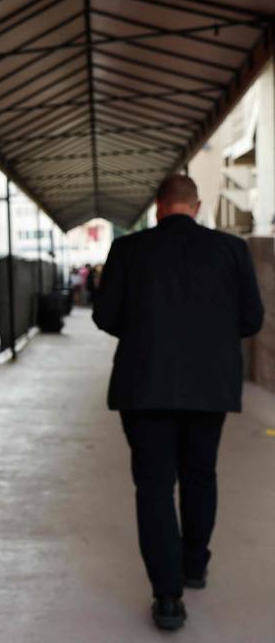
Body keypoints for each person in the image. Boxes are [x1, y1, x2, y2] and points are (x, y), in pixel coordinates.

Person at [93, 174, 264, 631]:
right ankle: (194, 565)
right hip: (210, 387)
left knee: (153, 485)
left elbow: (105, 317)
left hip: (145, 386)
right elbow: (252, 320)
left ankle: (168, 598)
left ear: (158, 206)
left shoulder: (130, 250)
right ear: (197, 204)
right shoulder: (231, 250)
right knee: (199, 474)